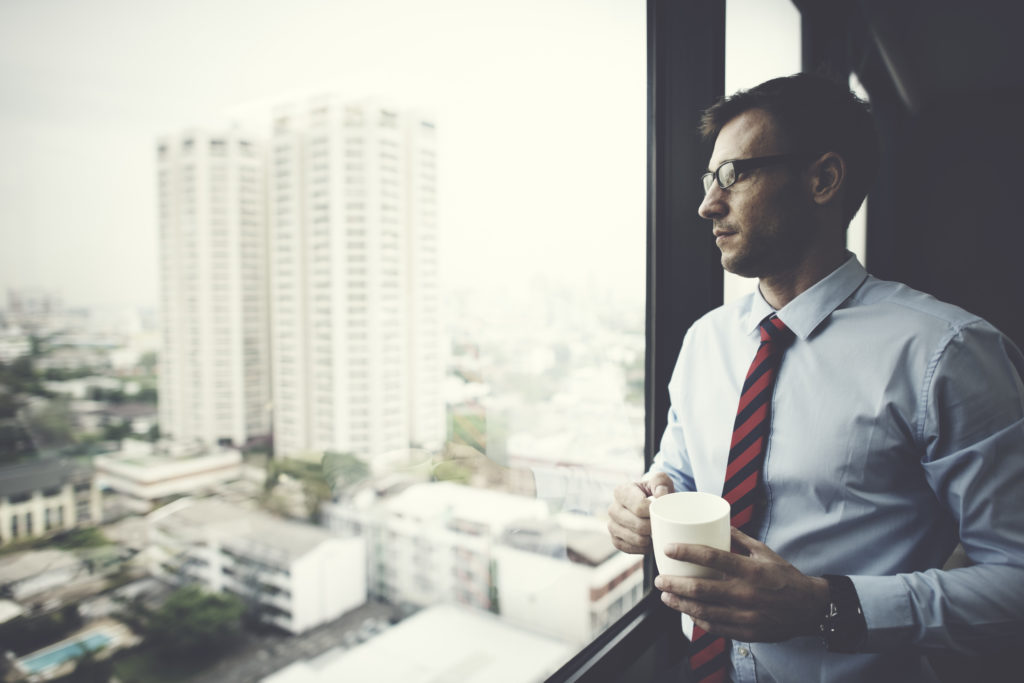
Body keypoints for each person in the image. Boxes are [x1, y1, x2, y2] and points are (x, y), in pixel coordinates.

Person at [607, 72, 1024, 682]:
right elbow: (682, 470)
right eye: (708, 179)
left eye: (733, 175)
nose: (707, 204)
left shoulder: (947, 353)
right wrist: (643, 500)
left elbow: (1015, 575)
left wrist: (826, 606)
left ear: (823, 179)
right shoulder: (705, 341)